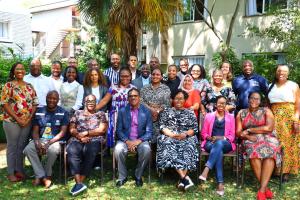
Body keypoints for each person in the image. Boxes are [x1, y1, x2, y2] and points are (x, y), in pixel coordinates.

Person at [236, 92, 281, 200]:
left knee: (271, 151)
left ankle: (261, 190)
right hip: (251, 139)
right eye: (252, 98)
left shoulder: (266, 111)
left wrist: (249, 130)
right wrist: (247, 137)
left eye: (257, 99)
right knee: (253, 152)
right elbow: (238, 132)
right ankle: (265, 189)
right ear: (248, 99)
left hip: (268, 137)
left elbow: (269, 128)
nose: (254, 101)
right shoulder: (241, 113)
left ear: (260, 101)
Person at [1, 62, 38, 182]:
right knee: (12, 146)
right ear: (13, 72)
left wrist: (29, 118)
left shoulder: (29, 86)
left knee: (21, 146)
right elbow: (4, 103)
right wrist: (18, 119)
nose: (20, 71)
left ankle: (20, 171)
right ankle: (11, 172)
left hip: (27, 121)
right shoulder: (8, 86)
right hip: (11, 121)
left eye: (22, 69)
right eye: (17, 69)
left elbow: (35, 102)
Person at [24, 91, 68, 188]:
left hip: (56, 140)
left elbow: (63, 132)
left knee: (53, 150)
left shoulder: (63, 112)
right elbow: (35, 130)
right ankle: (42, 176)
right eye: (49, 98)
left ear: (58, 100)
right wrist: (37, 142)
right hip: (40, 139)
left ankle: (47, 174)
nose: (51, 100)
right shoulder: (39, 111)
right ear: (46, 98)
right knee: (28, 149)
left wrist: (48, 143)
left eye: (54, 99)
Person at [156, 90, 199, 191]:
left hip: (186, 136)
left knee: (190, 144)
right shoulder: (166, 111)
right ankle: (185, 178)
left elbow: (195, 128)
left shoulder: (190, 112)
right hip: (170, 136)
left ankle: (182, 180)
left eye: (181, 98)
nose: (178, 100)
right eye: (176, 98)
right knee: (168, 144)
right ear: (172, 99)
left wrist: (184, 134)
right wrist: (172, 135)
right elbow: (162, 126)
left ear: (185, 100)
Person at [67, 94, 108, 196]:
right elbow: (72, 128)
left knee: (91, 150)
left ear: (96, 103)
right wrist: (80, 137)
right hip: (78, 138)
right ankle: (78, 182)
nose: (90, 103)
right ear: (84, 103)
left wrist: (87, 133)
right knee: (72, 149)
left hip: (95, 139)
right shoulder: (77, 113)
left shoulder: (100, 114)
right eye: (88, 101)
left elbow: (102, 130)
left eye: (92, 101)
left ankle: (80, 181)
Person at [114, 88, 153, 187]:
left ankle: (138, 175)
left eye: (135, 95)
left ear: (139, 97)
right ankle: (122, 176)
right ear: (128, 98)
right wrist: (127, 141)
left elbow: (149, 132)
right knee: (118, 149)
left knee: (146, 149)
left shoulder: (146, 111)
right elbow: (118, 130)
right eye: (131, 96)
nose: (133, 97)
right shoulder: (122, 111)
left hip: (140, 140)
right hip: (125, 140)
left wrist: (137, 141)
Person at [268, 64, 300, 181]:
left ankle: (285, 171)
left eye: (284, 71)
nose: (282, 73)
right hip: (273, 117)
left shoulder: (293, 85)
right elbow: (268, 103)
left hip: (288, 118)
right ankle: (275, 169)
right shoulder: (270, 85)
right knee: (274, 142)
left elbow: (298, 105)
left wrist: (296, 120)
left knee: (287, 144)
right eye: (279, 70)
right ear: (276, 72)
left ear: (288, 73)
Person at [199, 96, 236, 196]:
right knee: (218, 151)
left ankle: (207, 168)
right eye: (219, 103)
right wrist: (210, 138)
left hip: (226, 143)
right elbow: (203, 133)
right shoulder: (209, 116)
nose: (221, 105)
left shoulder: (231, 117)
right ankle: (220, 183)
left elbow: (232, 136)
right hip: (210, 143)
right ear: (216, 104)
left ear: (226, 105)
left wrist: (220, 138)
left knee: (219, 144)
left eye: (223, 103)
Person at [97, 67, 136, 148]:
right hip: (115, 116)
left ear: (130, 76)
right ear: (119, 76)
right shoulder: (113, 87)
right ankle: (115, 155)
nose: (125, 78)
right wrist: (94, 109)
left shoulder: (133, 88)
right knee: (115, 138)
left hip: (129, 116)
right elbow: (104, 101)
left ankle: (128, 148)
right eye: (122, 76)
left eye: (127, 76)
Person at [140, 68, 171, 143]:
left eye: (158, 74)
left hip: (160, 117)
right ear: (150, 76)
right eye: (153, 74)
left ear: (161, 77)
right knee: (146, 140)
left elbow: (167, 103)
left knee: (159, 140)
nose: (155, 76)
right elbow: (141, 101)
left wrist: (157, 111)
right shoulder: (144, 88)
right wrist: (151, 109)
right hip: (146, 116)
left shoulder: (165, 88)